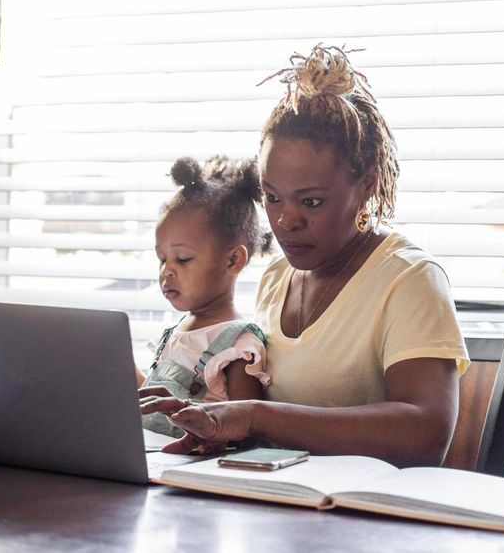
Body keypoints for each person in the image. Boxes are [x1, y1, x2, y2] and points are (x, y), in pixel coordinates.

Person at [140, 45, 469, 467]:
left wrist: (254, 418)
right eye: (272, 197)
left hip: (355, 502)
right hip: (277, 493)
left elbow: (426, 435)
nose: (285, 221)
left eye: (311, 202)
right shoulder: (277, 276)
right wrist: (201, 416)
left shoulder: (409, 278)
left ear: (367, 185)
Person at [137, 156, 275, 437]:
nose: (166, 271)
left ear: (233, 260)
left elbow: (246, 428)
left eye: (183, 259)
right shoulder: (175, 333)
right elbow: (153, 411)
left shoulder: (237, 345)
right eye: (162, 259)